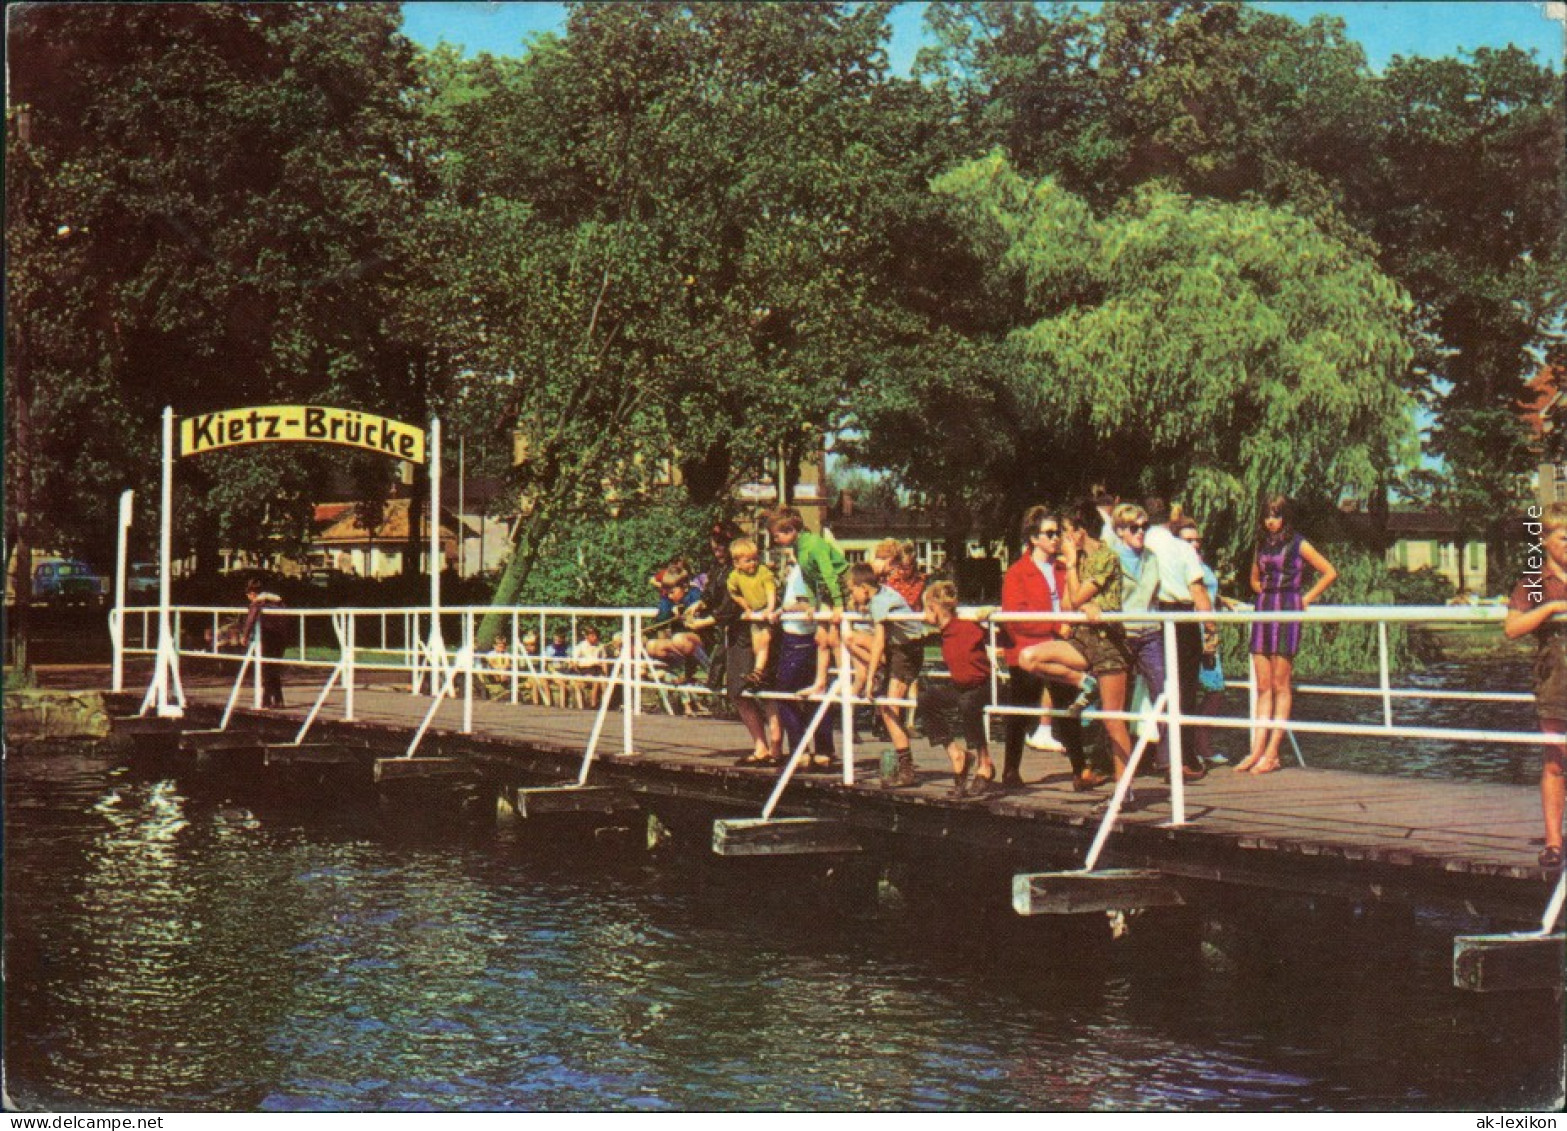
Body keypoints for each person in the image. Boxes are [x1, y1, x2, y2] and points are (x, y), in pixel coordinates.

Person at [1235, 495, 1338, 776]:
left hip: (1288, 608)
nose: (1271, 520)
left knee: (1281, 684)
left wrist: (1305, 599)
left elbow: (1329, 572)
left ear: (1285, 517)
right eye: (1267, 515)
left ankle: (1272, 752)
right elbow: (1254, 579)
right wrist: (1264, 593)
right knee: (1262, 684)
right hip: (1264, 609)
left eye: (1277, 515)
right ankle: (1256, 749)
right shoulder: (1261, 544)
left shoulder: (1298, 543)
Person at [999, 506, 1092, 791]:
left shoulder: (1065, 569)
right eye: (1049, 533)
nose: (1055, 539)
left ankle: (1080, 770)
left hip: (1058, 647)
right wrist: (1055, 627)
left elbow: (1076, 600)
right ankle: (1011, 769)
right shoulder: (1017, 573)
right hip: (1027, 649)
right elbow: (1016, 620)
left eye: (1057, 533)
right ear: (1033, 538)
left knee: (1066, 705)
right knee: (1021, 710)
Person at [1504, 501, 1567, 870]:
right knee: (1556, 762)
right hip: (1556, 682)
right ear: (1544, 540)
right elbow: (1512, 628)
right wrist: (1549, 610)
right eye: (1563, 537)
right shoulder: (1536, 583)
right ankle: (1554, 843)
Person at [1060, 499, 1136, 790]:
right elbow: (1070, 604)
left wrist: (1073, 573)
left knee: (1113, 720)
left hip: (1108, 643)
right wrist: (1072, 567)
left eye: (1067, 532)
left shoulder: (1106, 557)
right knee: (1032, 658)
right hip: (1084, 639)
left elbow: (1077, 598)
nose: (1064, 539)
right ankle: (1085, 682)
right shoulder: (1077, 561)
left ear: (1080, 532)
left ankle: (1124, 788)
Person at [1141, 497, 1217, 778]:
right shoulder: (1182, 548)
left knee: (1151, 688)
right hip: (1181, 617)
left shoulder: (1140, 544)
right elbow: (1198, 591)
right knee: (1184, 689)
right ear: (1170, 520)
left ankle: (1149, 755)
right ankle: (1184, 758)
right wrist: (1211, 630)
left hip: (1149, 617)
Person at [847, 562, 925, 788]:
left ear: (863, 588)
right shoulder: (880, 593)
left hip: (907, 651)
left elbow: (880, 640)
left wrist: (870, 678)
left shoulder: (879, 602)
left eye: (852, 590)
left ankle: (907, 769)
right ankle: (880, 669)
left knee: (889, 709)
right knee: (850, 637)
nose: (852, 595)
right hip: (898, 648)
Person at [919, 580, 995, 798]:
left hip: (981, 685)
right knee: (926, 698)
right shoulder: (945, 632)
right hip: (961, 686)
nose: (924, 615)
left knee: (968, 703)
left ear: (934, 608)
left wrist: (989, 614)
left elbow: (1000, 627)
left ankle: (985, 762)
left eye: (925, 609)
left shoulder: (968, 625)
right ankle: (956, 754)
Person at [767, 507, 850, 698]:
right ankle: (820, 683)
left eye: (777, 535)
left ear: (791, 531)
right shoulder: (798, 547)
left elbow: (829, 574)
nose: (775, 540)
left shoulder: (814, 544)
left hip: (844, 585)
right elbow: (808, 576)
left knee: (836, 636)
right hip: (828, 591)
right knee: (821, 638)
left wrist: (838, 604)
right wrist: (813, 603)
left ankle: (846, 681)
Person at [772, 558, 837, 771]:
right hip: (811, 637)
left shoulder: (801, 572)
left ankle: (800, 749)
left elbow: (802, 603)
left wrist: (785, 608)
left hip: (797, 637)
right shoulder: (818, 570)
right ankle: (824, 750)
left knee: (785, 694)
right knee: (815, 694)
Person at [1175, 519, 1230, 767]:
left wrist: (1223, 600)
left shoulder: (1201, 565)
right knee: (1189, 690)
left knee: (1215, 689)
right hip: (1192, 631)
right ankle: (1190, 747)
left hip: (1208, 630)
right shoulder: (1177, 564)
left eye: (1197, 539)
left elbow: (1206, 590)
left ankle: (1200, 740)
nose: (1195, 544)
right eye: (1188, 540)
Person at [726, 536, 778, 691]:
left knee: (765, 639)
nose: (753, 563)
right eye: (748, 561)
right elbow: (734, 593)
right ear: (737, 563)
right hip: (755, 612)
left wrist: (770, 608)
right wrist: (746, 607)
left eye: (755, 559)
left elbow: (770, 590)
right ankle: (759, 673)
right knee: (757, 645)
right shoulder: (735, 576)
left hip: (768, 609)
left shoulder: (763, 571)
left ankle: (758, 672)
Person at [241, 577, 287, 708]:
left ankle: (266, 700)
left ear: (252, 594)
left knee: (267, 669)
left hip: (269, 637)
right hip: (281, 637)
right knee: (274, 668)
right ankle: (277, 700)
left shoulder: (257, 603)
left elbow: (250, 620)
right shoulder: (278, 602)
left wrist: (245, 635)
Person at [571, 625, 609, 709]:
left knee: (603, 681)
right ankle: (593, 704)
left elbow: (604, 661)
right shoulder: (581, 646)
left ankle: (605, 705)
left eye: (596, 635)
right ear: (587, 636)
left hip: (597, 669)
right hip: (585, 670)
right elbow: (574, 663)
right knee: (596, 680)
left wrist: (606, 673)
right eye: (592, 636)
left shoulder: (600, 646)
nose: (595, 638)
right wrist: (579, 674)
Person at [480, 631, 514, 700]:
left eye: (503, 646)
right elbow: (493, 665)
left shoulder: (506, 654)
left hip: (503, 672)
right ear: (494, 646)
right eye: (499, 646)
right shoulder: (490, 654)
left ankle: (506, 690)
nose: (501, 647)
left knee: (508, 670)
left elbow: (507, 664)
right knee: (497, 672)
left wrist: (503, 669)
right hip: (493, 673)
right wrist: (502, 669)